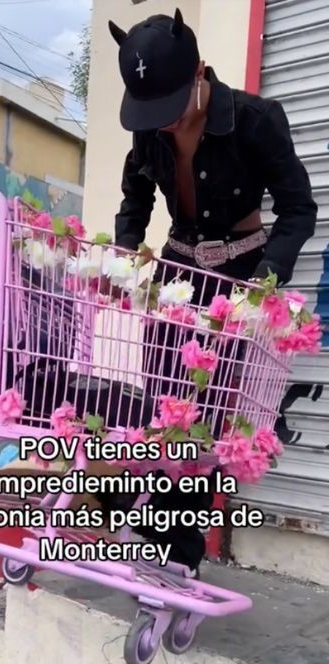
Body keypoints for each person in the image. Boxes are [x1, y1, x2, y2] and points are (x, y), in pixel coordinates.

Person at [105, 9, 317, 572]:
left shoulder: (255, 119)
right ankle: (150, 534)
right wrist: (128, 249)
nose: (163, 125)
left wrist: (265, 281)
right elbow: (136, 197)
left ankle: (181, 553)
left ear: (199, 73)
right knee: (164, 408)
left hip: (239, 279)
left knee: (210, 418)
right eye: (151, 115)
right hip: (177, 274)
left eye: (171, 109)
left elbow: (298, 210)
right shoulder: (149, 127)